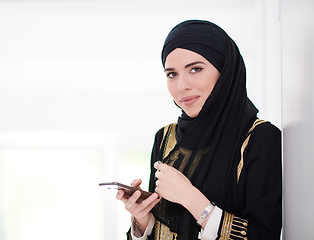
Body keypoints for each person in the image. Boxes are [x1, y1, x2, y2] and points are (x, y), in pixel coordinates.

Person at [116, 20, 282, 240]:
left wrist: (191, 198)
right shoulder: (166, 138)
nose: (181, 86)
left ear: (225, 72)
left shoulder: (260, 139)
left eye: (195, 69)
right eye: (171, 74)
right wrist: (142, 221)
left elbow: (264, 235)